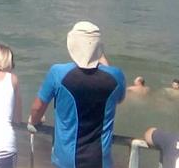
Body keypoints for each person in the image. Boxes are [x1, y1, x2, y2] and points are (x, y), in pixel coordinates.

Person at [28, 21, 125, 168]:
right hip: (100, 161)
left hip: (66, 161)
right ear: (98, 48)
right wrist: (97, 53)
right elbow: (119, 98)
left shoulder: (58, 73)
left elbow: (37, 108)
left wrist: (34, 121)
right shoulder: (116, 76)